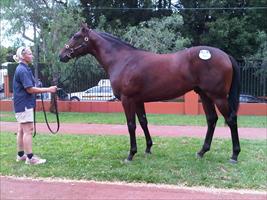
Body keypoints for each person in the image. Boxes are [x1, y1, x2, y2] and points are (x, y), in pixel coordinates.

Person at [13, 46, 57, 165]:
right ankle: (30, 158)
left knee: (21, 130)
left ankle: (21, 155)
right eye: (30, 53)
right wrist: (48, 89)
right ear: (23, 56)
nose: (32, 56)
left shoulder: (23, 68)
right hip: (24, 104)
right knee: (28, 130)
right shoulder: (22, 70)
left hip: (21, 104)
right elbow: (30, 89)